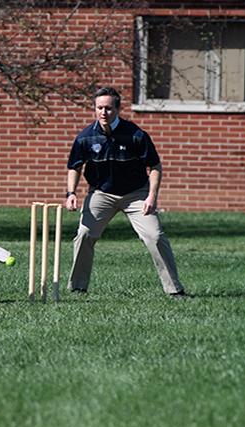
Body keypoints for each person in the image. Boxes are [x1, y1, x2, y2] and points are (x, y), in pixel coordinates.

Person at [65, 86, 186, 298]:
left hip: (136, 194)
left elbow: (155, 167)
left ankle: (174, 289)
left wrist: (151, 196)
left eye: (109, 108)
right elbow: (75, 166)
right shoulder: (85, 137)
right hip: (101, 194)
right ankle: (77, 287)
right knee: (84, 234)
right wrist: (71, 193)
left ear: (117, 109)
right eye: (99, 108)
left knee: (155, 236)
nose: (104, 112)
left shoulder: (135, 134)